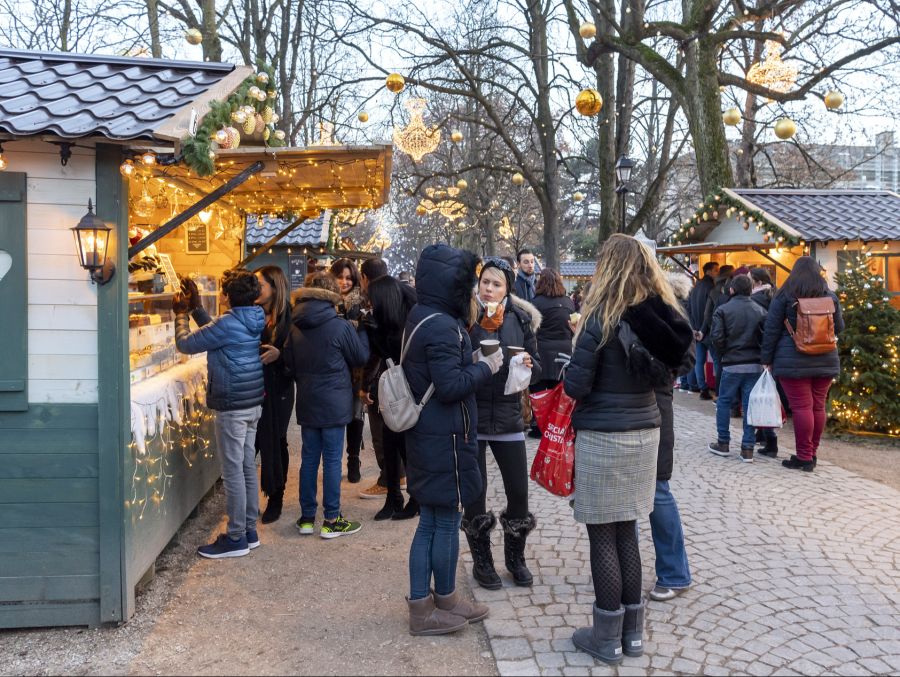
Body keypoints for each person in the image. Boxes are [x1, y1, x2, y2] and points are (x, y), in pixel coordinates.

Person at [563, 235, 693, 665]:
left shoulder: (600, 316)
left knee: (603, 532)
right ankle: (632, 635)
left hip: (604, 435)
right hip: (645, 433)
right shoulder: (658, 315)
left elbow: (577, 385)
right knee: (629, 532)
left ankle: (606, 637)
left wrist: (568, 369)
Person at [401, 244, 500, 635]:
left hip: (434, 435)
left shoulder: (425, 315)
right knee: (440, 522)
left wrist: (470, 361)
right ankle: (426, 609)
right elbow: (449, 386)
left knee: (435, 519)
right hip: (443, 437)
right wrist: (486, 367)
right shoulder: (442, 324)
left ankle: (443, 600)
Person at [173, 270, 266, 558]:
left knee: (233, 471)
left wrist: (180, 315)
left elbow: (186, 344)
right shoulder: (252, 317)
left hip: (233, 404)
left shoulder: (229, 323)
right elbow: (217, 332)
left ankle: (236, 536)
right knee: (246, 466)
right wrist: (197, 308)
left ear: (227, 296)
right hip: (251, 402)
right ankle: (249, 530)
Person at [464, 257, 541, 589]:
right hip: (475, 413)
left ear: (508, 287)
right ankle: (482, 563)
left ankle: (516, 559)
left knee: (519, 494)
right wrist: (474, 360)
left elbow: (535, 360)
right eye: (485, 282)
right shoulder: (466, 316)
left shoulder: (520, 319)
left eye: (497, 284)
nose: (490, 288)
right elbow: (454, 360)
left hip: (509, 415)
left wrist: (527, 361)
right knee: (475, 494)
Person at [284, 272, 370, 538]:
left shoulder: (294, 325)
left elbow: (289, 365)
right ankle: (332, 520)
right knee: (332, 460)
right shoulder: (340, 325)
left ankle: (307, 518)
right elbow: (360, 356)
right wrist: (364, 330)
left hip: (308, 400)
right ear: (332, 296)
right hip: (334, 402)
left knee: (309, 459)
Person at [760, 256, 844, 472]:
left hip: (793, 359)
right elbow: (840, 328)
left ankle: (804, 456)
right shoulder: (830, 297)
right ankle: (812, 453)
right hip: (826, 357)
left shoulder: (785, 296)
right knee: (818, 405)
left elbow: (771, 329)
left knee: (801, 407)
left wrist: (766, 360)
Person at [649, 273, 695, 602]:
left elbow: (687, 359)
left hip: (655, 406)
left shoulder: (668, 311)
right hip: (629, 410)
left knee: (657, 488)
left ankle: (675, 573)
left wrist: (659, 372)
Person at [362, 274, 419, 520]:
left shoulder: (409, 319)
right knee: (389, 440)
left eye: (372, 301)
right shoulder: (385, 319)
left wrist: (372, 331)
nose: (369, 304)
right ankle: (393, 496)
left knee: (406, 446)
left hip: (408, 389)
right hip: (392, 387)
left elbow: (391, 351)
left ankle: (416, 498)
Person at [707, 275, 776, 463]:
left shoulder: (722, 310)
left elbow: (717, 337)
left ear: (731, 290)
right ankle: (748, 447)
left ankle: (723, 442)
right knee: (749, 406)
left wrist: (724, 354)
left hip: (731, 363)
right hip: (753, 364)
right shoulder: (760, 311)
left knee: (724, 402)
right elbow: (766, 338)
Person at [254, 265, 296, 523]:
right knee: (254, 443)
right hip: (256, 387)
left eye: (261, 284)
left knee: (277, 440)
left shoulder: (290, 318)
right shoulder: (254, 315)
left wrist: (280, 356)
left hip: (280, 388)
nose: (256, 289)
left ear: (274, 287)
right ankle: (252, 496)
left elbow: (298, 358)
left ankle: (276, 497)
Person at [357, 257, 394, 499]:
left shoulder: (374, 306)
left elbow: (374, 352)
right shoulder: (393, 298)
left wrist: (365, 385)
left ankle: (387, 479)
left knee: (380, 432)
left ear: (365, 278)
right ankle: (398, 474)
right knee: (392, 429)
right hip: (393, 376)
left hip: (379, 378)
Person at [529, 267, 576, 437]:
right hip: (564, 353)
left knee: (540, 393)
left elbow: (531, 330)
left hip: (542, 352)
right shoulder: (568, 302)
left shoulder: (536, 303)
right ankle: (557, 426)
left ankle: (540, 426)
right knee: (558, 394)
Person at [331, 258, 365, 483]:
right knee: (334, 415)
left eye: (348, 278)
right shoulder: (325, 302)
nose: (344, 282)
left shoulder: (361, 303)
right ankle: (333, 462)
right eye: (340, 277)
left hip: (356, 368)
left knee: (355, 414)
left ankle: (353, 459)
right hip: (332, 367)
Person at [688, 261, 719, 399]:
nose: (717, 273)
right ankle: (718, 389)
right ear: (709, 271)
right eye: (716, 270)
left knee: (699, 361)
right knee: (717, 361)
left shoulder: (695, 287)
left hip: (697, 331)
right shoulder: (711, 288)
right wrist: (702, 330)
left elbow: (689, 310)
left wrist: (695, 329)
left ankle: (703, 389)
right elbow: (709, 312)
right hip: (708, 331)